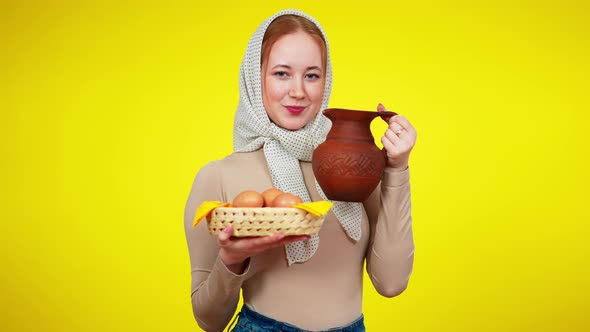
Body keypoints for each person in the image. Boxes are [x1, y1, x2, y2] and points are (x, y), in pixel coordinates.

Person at [184, 9, 416, 332]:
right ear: (256, 76)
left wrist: (396, 168)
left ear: (326, 79)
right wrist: (231, 259)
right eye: (281, 73)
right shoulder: (217, 177)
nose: (298, 91)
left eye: (311, 75)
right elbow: (208, 320)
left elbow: (391, 283)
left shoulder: (354, 172)